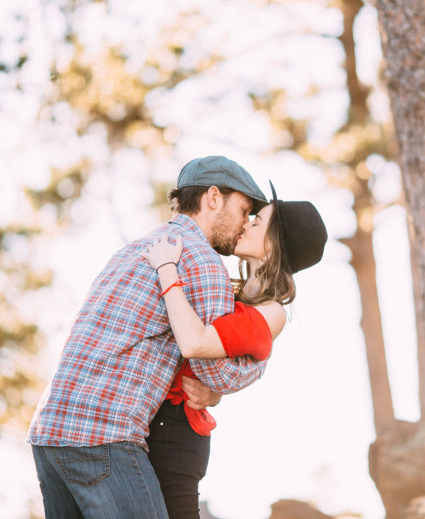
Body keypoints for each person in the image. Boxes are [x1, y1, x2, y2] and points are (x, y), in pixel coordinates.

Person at [28, 156, 272, 519]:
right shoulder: (202, 261)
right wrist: (261, 361)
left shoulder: (137, 247)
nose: (243, 225)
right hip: (102, 435)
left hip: (50, 432)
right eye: (243, 209)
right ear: (214, 198)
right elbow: (214, 371)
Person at [142, 182, 327, 518]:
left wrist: (166, 268)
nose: (246, 223)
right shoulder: (226, 288)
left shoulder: (271, 313)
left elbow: (196, 343)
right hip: (156, 418)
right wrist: (217, 392)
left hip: (178, 431)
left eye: (257, 223)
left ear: (276, 245)